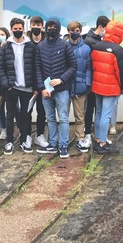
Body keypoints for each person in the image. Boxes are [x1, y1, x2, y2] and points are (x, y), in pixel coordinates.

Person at [35, 18, 77, 158]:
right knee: (50, 118)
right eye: (49, 27)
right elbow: (38, 69)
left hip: (62, 89)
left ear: (58, 29)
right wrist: (42, 88)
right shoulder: (40, 46)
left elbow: (73, 66)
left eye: (54, 27)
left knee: (63, 118)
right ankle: (52, 144)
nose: (51, 29)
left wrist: (61, 79)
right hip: (46, 91)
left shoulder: (65, 45)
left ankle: (63, 145)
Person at [0, 18, 38, 155]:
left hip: (27, 87)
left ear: (24, 29)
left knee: (25, 116)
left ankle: (24, 141)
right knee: (10, 115)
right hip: (11, 87)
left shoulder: (31, 46)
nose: (18, 31)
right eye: (15, 29)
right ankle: (9, 142)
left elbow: (35, 67)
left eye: (20, 29)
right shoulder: (6, 46)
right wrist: (6, 84)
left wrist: (35, 87)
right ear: (11, 29)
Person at [91, 20, 123, 153]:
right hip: (111, 87)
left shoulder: (97, 45)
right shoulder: (118, 49)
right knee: (106, 115)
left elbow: (93, 66)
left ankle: (98, 139)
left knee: (99, 113)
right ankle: (102, 143)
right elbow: (121, 72)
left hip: (97, 85)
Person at [83, 15, 110, 143]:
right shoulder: (88, 41)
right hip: (91, 80)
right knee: (90, 108)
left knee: (100, 110)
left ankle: (99, 135)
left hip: (101, 80)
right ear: (100, 27)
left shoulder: (102, 40)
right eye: (107, 28)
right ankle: (87, 133)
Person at [67, 21, 93, 153]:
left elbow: (89, 69)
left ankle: (79, 139)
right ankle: (64, 141)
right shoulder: (64, 47)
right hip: (65, 87)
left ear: (80, 31)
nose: (74, 32)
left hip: (80, 87)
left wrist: (87, 84)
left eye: (77, 30)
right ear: (68, 32)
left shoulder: (86, 48)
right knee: (64, 116)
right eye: (72, 30)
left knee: (80, 116)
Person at [27, 16, 48, 148]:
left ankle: (40, 135)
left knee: (42, 111)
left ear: (42, 26)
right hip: (28, 84)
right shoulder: (25, 42)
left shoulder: (47, 42)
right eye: (34, 25)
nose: (36, 27)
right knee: (27, 112)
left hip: (43, 83)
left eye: (38, 25)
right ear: (30, 26)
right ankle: (27, 136)